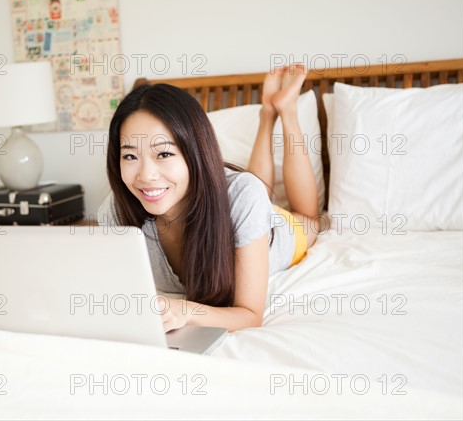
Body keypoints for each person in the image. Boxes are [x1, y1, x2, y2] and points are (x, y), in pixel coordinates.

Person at [98, 64, 320, 333]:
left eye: (164, 154)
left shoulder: (245, 195)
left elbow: (250, 316)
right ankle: (267, 116)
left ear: (195, 151)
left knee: (308, 217)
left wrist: (186, 311)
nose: (146, 176)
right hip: (242, 199)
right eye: (130, 156)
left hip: (279, 227)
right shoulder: (115, 211)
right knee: (253, 188)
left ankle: (286, 111)